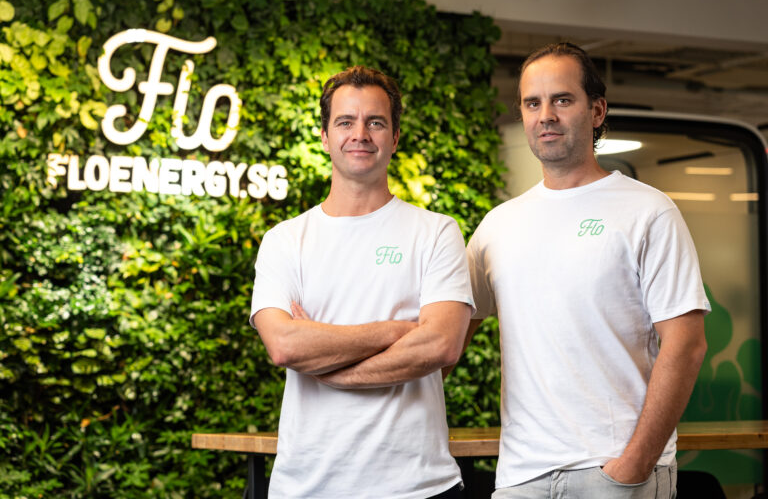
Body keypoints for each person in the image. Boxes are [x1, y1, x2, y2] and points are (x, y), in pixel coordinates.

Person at [465, 43, 710, 498]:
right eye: (532, 103)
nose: (546, 115)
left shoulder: (648, 211)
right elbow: (443, 338)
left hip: (614, 473)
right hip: (522, 476)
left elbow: (687, 345)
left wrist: (633, 464)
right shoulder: (497, 226)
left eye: (562, 99)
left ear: (596, 111)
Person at [250, 66, 474, 499]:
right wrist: (397, 332)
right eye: (345, 122)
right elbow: (285, 346)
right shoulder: (285, 240)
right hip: (306, 487)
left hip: (418, 487)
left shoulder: (435, 232)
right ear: (324, 136)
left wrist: (331, 367)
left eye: (375, 122)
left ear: (395, 136)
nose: (361, 134)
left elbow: (441, 345)